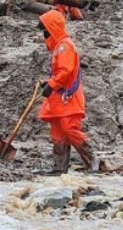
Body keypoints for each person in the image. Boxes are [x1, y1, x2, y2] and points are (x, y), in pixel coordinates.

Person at [36, 10, 98, 175]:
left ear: (52, 27)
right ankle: (59, 168)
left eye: (45, 28)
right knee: (58, 132)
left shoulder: (64, 46)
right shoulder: (59, 46)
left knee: (70, 129)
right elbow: (61, 73)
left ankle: (92, 161)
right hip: (60, 98)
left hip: (67, 97)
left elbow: (66, 71)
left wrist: (52, 84)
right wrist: (48, 83)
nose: (44, 32)